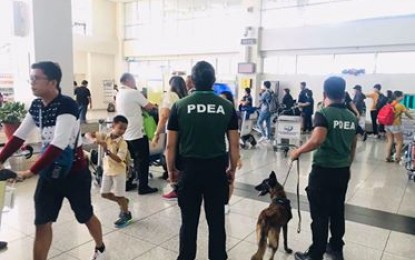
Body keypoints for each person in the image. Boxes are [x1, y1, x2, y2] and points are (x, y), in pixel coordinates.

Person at [0, 61, 107, 260]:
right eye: (30, 78)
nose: (32, 83)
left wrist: (30, 172)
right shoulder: (37, 106)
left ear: (53, 82)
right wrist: (1, 158)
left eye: (36, 78)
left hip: (75, 172)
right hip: (49, 175)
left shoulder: (67, 104)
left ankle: (100, 247)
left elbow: (59, 143)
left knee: (84, 215)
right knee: (42, 222)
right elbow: (19, 136)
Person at [166, 61, 239, 260]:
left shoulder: (179, 106)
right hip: (216, 171)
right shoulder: (227, 106)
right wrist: (232, 169)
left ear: (192, 81)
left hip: (188, 171)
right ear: (213, 81)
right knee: (217, 222)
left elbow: (170, 146)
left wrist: (171, 170)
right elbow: (234, 145)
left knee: (188, 222)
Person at [291, 76, 358, 260]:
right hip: (342, 171)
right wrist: (348, 166)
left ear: (324, 93)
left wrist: (298, 151)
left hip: (323, 171)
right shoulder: (352, 117)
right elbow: (353, 146)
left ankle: (316, 253)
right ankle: (336, 247)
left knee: (320, 214)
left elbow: (317, 139)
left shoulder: (324, 113)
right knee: (337, 211)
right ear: (344, 93)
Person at [87, 115, 132, 227]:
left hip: (119, 171)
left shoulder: (122, 143)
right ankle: (124, 202)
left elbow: (118, 159)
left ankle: (126, 214)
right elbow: (88, 133)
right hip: (107, 170)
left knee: (119, 195)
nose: (122, 131)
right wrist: (94, 139)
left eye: (125, 129)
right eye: (120, 127)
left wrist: (106, 149)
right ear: (113, 125)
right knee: (104, 194)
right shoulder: (105, 136)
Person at [117, 72, 158, 194]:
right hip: (137, 133)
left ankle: (127, 183)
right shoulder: (133, 92)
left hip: (125, 133)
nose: (135, 83)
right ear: (129, 80)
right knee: (142, 160)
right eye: (134, 80)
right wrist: (156, 106)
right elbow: (149, 106)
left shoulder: (119, 93)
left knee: (128, 160)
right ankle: (143, 187)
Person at [153, 76, 188, 200]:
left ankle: (176, 189)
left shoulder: (169, 96)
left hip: (173, 132)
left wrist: (156, 134)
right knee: (181, 160)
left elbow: (164, 116)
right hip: (185, 133)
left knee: (170, 158)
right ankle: (183, 187)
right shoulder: (185, 97)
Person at [385, 91, 414, 163]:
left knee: (390, 141)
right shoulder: (400, 105)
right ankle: (397, 158)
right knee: (400, 141)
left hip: (387, 124)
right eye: (402, 96)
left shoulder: (389, 103)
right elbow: (408, 114)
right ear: (398, 97)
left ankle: (387, 157)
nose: (403, 97)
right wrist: (413, 119)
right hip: (396, 125)